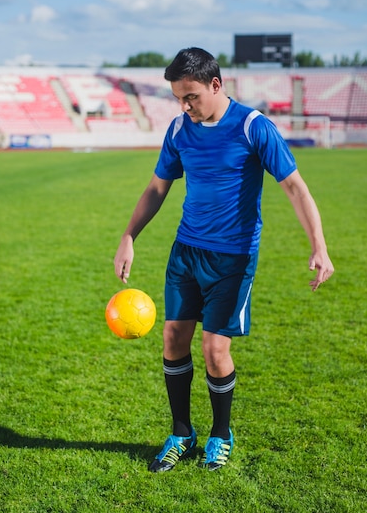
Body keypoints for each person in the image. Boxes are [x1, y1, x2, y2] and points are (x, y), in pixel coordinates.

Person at [114, 47, 334, 473]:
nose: (185, 105)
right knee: (173, 341)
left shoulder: (253, 128)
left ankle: (220, 434)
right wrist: (128, 236)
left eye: (191, 96)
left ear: (216, 85)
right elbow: (158, 188)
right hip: (186, 252)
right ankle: (181, 431)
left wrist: (319, 245)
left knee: (215, 350)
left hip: (234, 257)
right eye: (179, 97)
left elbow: (295, 188)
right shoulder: (179, 129)